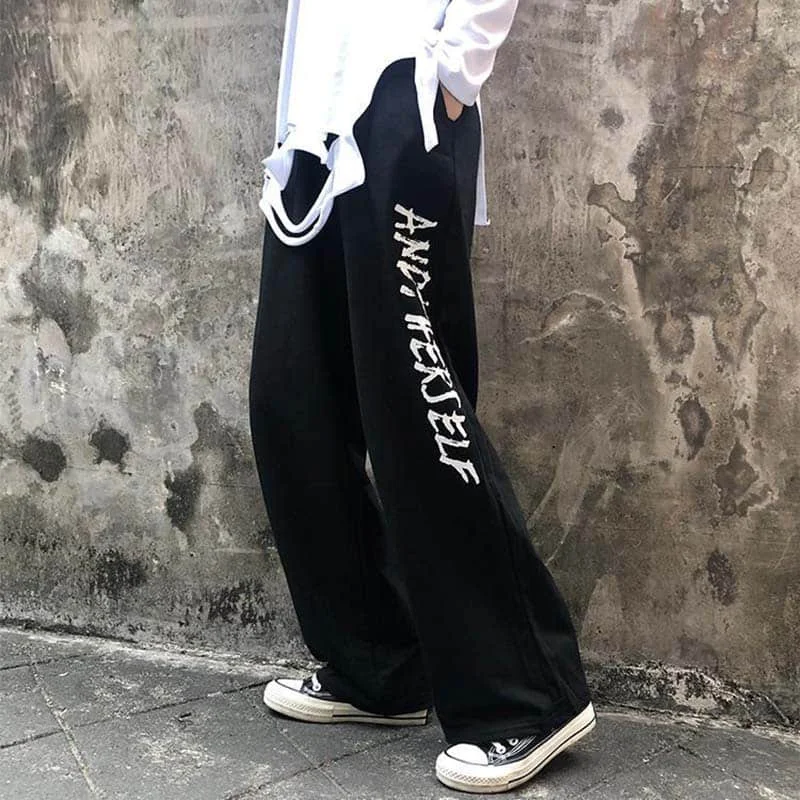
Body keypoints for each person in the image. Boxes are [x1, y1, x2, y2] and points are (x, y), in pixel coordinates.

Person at [248, 0, 595, 793]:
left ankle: (530, 694)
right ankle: (378, 666)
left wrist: (453, 75)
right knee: (292, 402)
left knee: (416, 411)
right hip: (313, 119)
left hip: (402, 97)